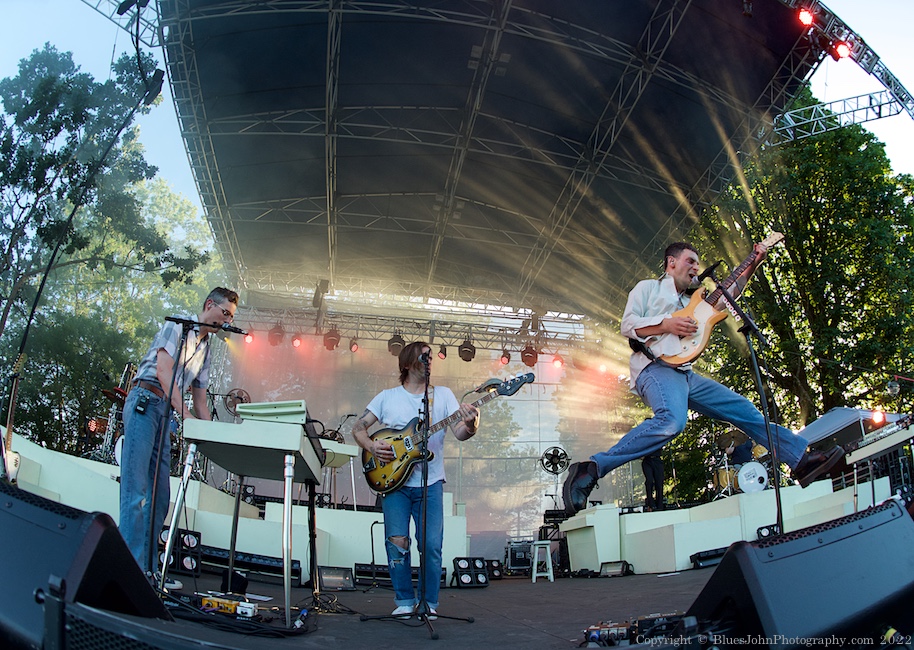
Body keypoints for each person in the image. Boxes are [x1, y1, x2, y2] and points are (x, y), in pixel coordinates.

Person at [563, 241, 843, 515]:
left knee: (743, 409)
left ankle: (801, 461)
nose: (696, 267)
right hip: (655, 368)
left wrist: (753, 263)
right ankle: (593, 468)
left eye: (698, 263)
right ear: (671, 263)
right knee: (672, 421)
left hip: (686, 374)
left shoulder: (693, 300)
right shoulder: (647, 288)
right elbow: (628, 325)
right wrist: (666, 324)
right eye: (690, 261)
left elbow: (728, 294)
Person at [351, 341, 479, 620]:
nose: (429, 361)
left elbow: (459, 432)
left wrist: (471, 423)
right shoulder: (387, 397)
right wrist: (372, 448)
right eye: (424, 357)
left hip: (430, 483)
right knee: (397, 542)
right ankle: (405, 600)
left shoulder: (443, 395)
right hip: (394, 485)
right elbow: (358, 428)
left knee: (431, 545)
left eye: (431, 357)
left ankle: (429, 602)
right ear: (407, 364)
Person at [119, 287, 239, 576]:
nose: (226, 321)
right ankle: (127, 570)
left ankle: (147, 571)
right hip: (145, 403)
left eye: (231, 317)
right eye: (225, 313)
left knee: (160, 498)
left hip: (164, 413)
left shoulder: (206, 349)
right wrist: (185, 417)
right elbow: (163, 371)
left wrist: (212, 437)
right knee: (135, 493)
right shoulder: (177, 326)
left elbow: (200, 400)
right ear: (210, 305)